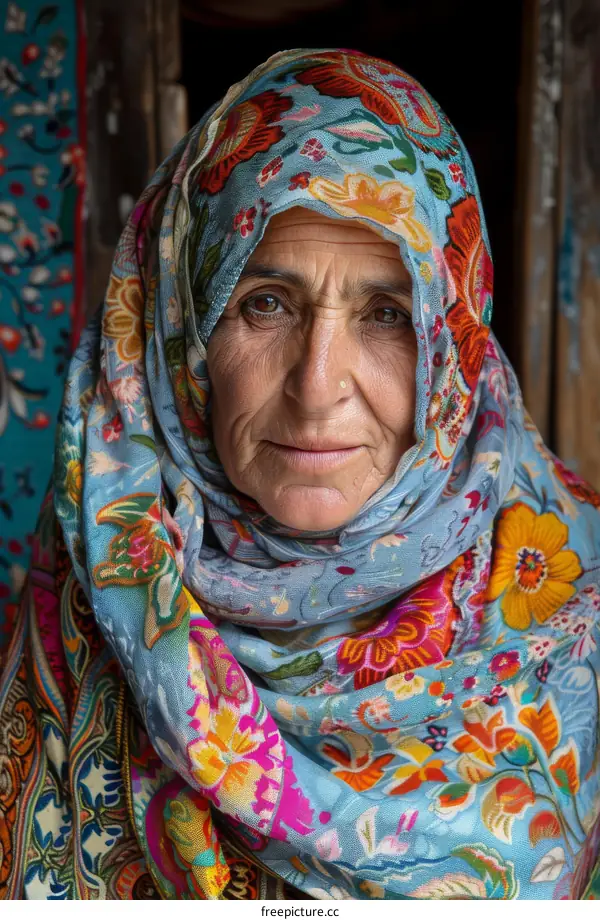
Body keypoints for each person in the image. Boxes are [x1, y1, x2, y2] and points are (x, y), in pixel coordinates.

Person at [1, 48, 599, 901]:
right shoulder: (102, 574)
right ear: (183, 327)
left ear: (454, 341)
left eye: (387, 315)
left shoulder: (581, 603)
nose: (318, 386)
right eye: (265, 303)